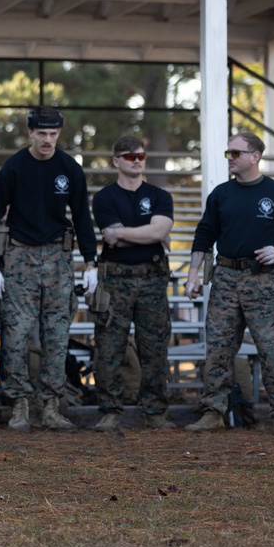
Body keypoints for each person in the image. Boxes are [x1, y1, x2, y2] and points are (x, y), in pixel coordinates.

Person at [0, 106, 98, 432]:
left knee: (57, 335)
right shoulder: (14, 167)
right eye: (42, 133)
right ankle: (19, 404)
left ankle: (51, 406)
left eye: (53, 134)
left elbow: (82, 217)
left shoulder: (69, 168)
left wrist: (91, 262)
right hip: (21, 256)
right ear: (30, 132)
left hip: (58, 257)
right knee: (16, 334)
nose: (48, 140)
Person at [184, 131, 274, 435]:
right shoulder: (221, 194)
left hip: (263, 280)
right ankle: (213, 411)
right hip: (226, 278)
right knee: (218, 348)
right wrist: (193, 273)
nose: (231, 158)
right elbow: (204, 234)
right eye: (228, 153)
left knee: (272, 348)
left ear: (255, 156)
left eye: (236, 153)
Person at [90, 136, 175, 432]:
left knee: (155, 348)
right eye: (129, 156)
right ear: (116, 161)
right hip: (115, 279)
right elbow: (116, 236)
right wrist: (149, 233)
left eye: (141, 156)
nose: (137, 161)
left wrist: (126, 233)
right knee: (109, 347)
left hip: (152, 278)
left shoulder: (160, 196)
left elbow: (158, 231)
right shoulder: (104, 198)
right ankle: (110, 411)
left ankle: (155, 412)